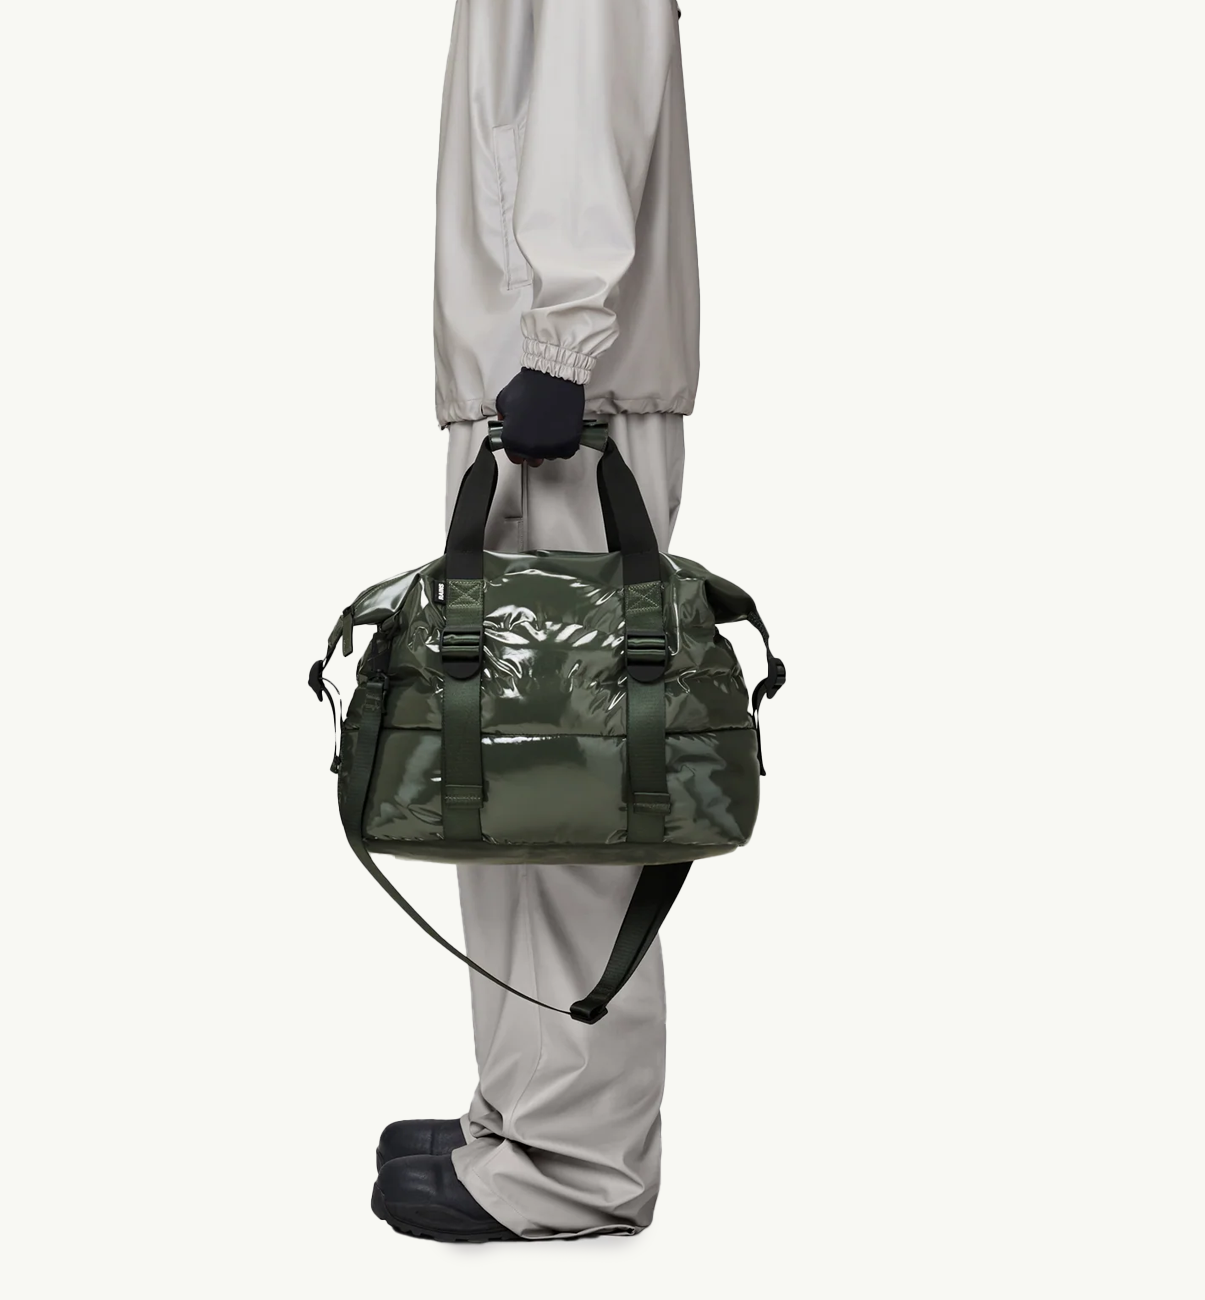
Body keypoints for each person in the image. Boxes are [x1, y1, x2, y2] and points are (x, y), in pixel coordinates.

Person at [371, 0, 699, 1242]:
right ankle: (524, 1114)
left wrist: (559, 347)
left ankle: (572, 1165)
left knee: (564, 798)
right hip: (537, 392)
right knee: (508, 790)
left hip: (560, 401)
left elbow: (585, 108)